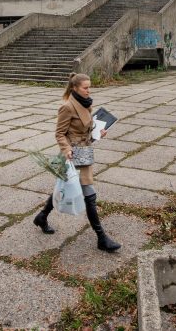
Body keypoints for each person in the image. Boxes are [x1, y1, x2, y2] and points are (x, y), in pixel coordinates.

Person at [33, 72, 121, 252]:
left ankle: (42, 216)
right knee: (90, 195)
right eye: (86, 87)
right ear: (75, 88)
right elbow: (59, 133)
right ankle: (101, 238)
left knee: (63, 188)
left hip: (84, 153)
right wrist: (67, 150)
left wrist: (98, 133)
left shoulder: (86, 104)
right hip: (72, 156)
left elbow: (86, 131)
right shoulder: (67, 107)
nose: (89, 90)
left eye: (89, 87)